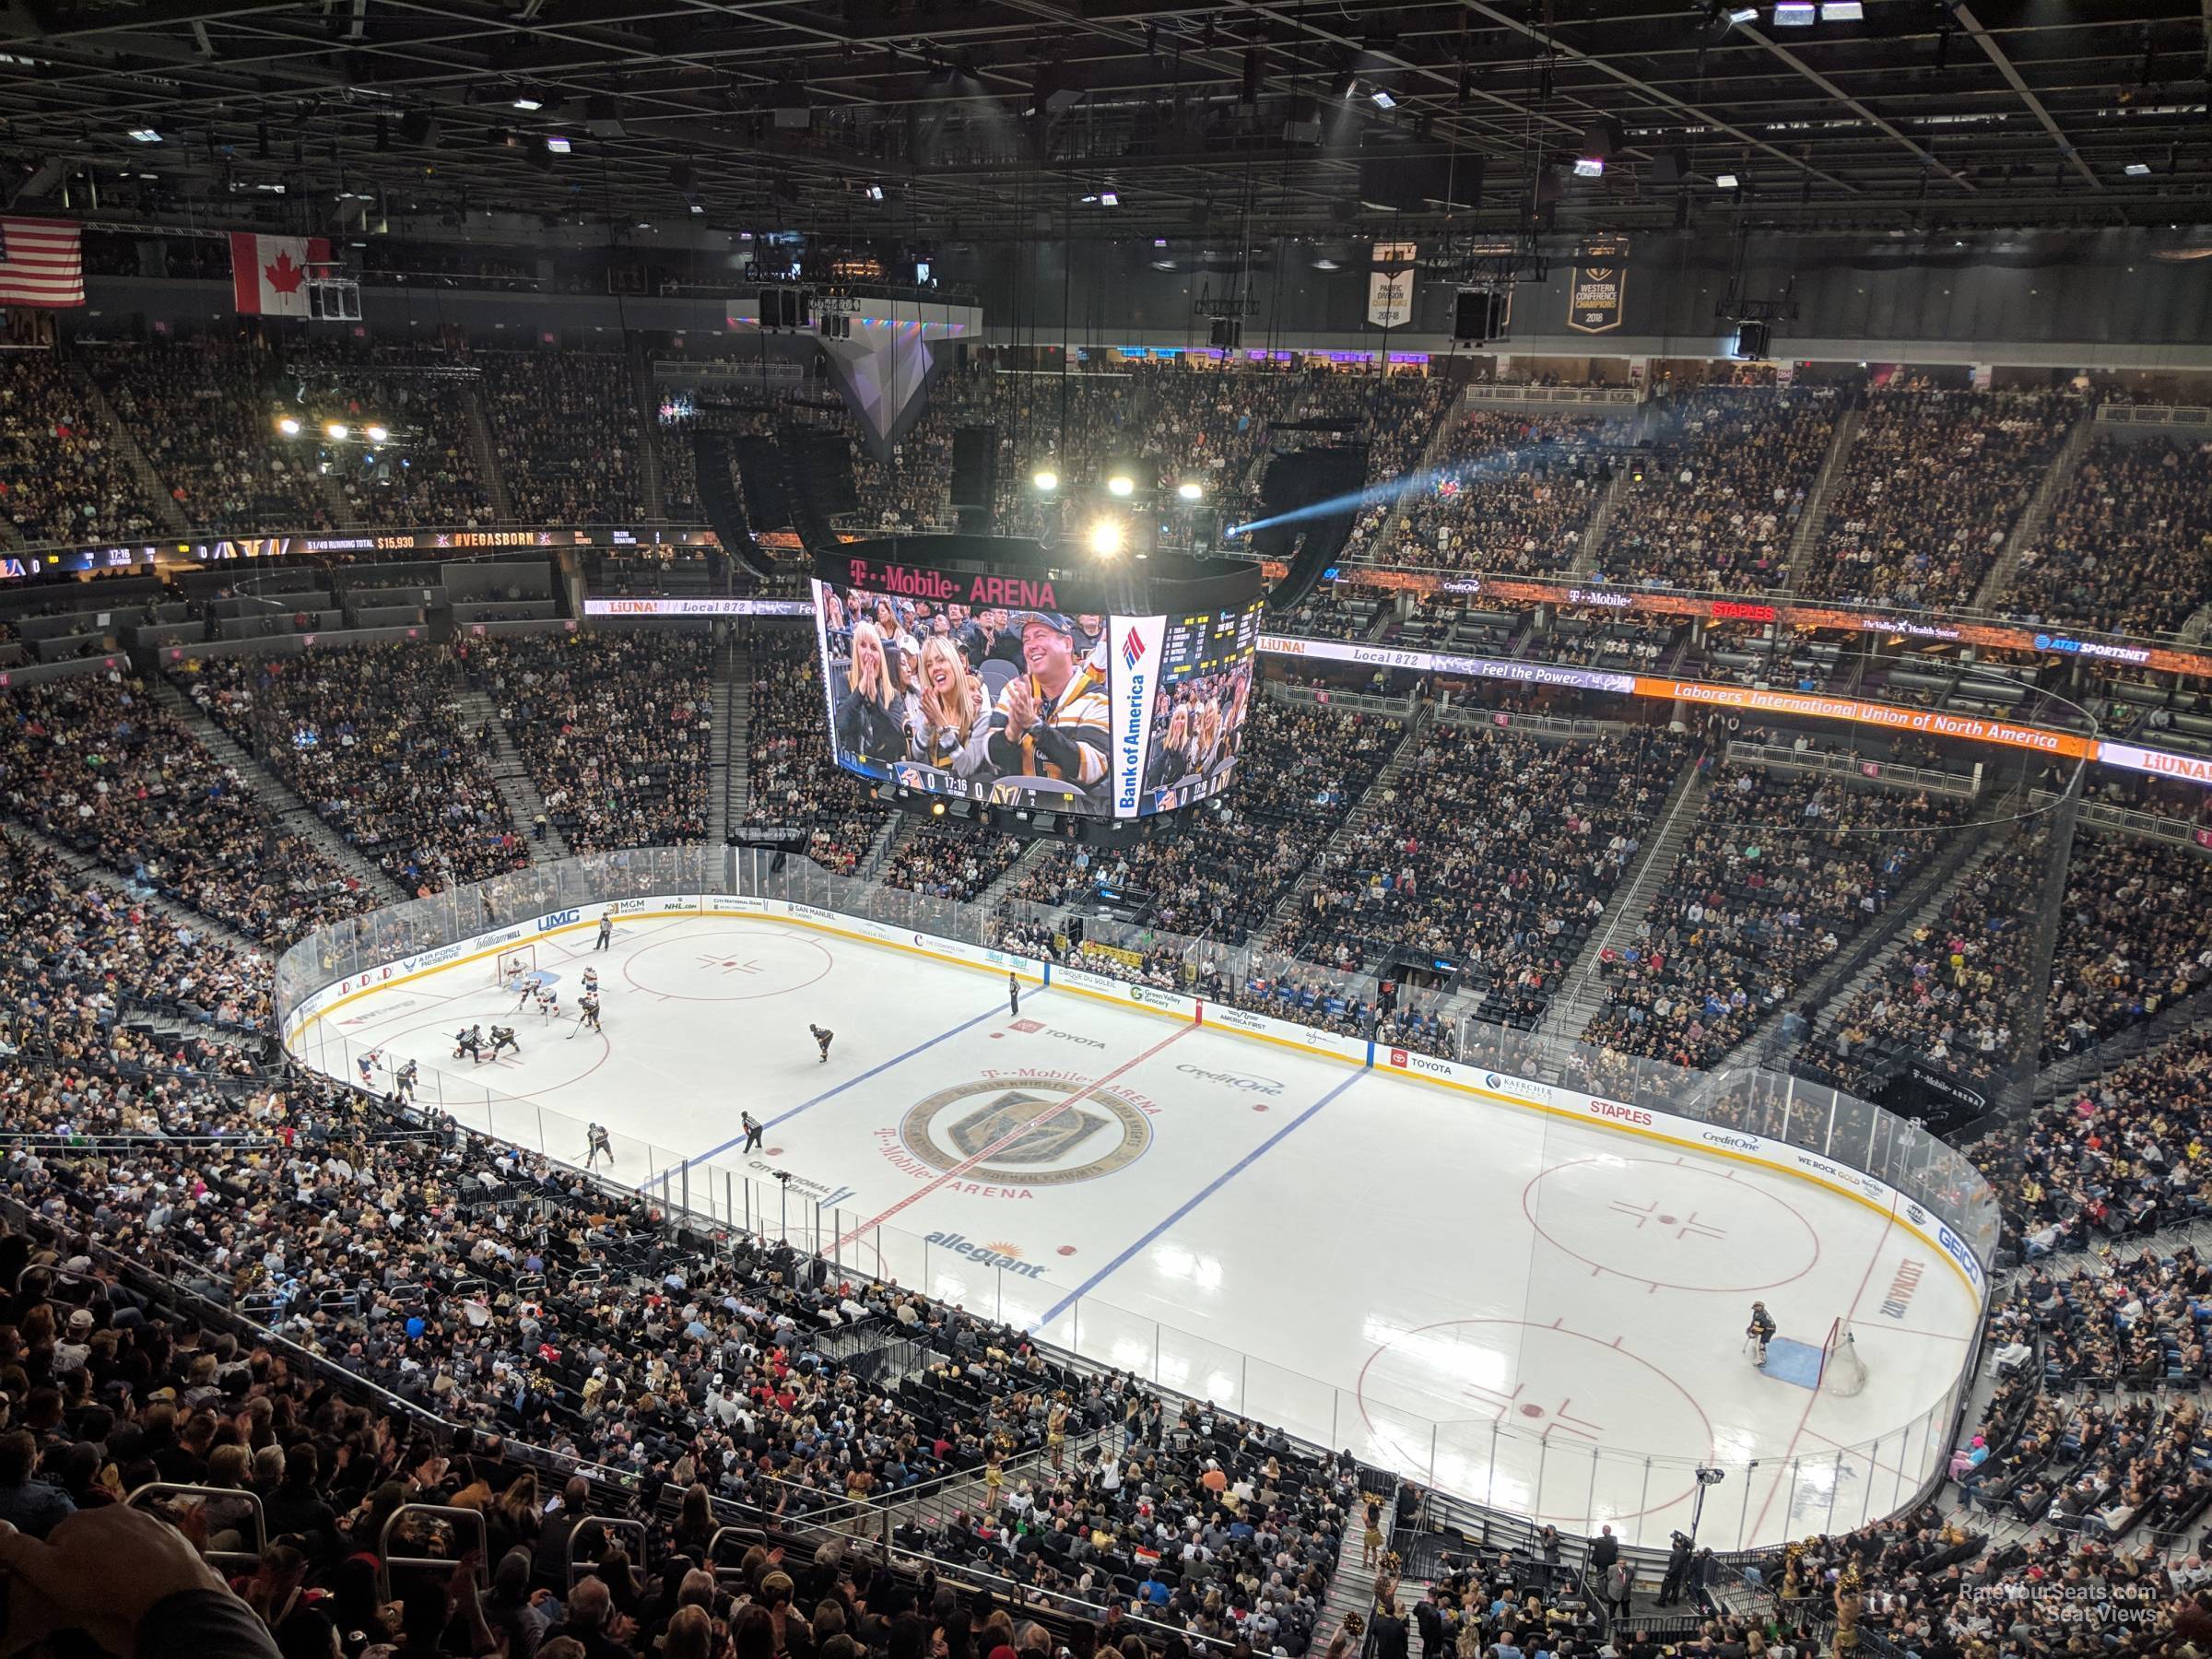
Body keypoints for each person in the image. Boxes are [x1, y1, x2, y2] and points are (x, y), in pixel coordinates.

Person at [983, 612, 1110, 799]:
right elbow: (988, 757)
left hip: (1074, 816)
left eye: (1040, 636)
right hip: (1014, 808)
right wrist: (1012, 732)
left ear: (1067, 644)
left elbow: (1090, 770)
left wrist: (1036, 727)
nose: (1031, 645)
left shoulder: (1096, 698)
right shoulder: (1014, 690)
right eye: (1026, 640)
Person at [906, 634, 992, 775]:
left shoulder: (978, 710)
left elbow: (966, 769)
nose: (935, 668)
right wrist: (927, 726)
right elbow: (916, 755)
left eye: (941, 660)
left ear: (954, 664)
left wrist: (941, 725)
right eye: (929, 665)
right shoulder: (930, 706)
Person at [834, 620, 907, 766]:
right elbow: (841, 726)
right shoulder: (845, 681)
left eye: (874, 648)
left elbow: (898, 741)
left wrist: (875, 703)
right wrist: (860, 691)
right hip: (855, 767)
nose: (869, 653)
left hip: (884, 770)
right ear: (856, 652)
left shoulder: (892, 694)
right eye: (863, 645)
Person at [1747, 1300, 1777, 1367]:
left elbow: (1757, 1325)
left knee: (1762, 1343)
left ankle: (1762, 1359)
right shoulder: (1761, 1312)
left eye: (1755, 1307)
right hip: (1768, 1327)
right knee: (1759, 1339)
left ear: (1759, 1307)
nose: (1754, 1308)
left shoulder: (1759, 1314)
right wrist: (1751, 1328)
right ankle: (1757, 1350)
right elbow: (1755, 1322)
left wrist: (1752, 1331)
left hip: (1768, 1329)